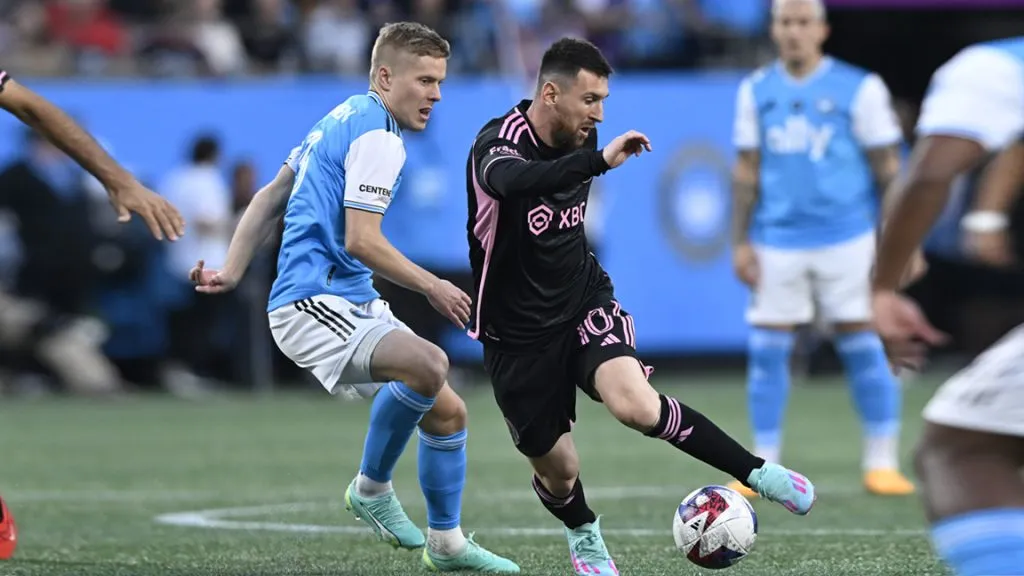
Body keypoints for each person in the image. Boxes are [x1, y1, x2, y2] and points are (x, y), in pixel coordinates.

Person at [465, 37, 816, 576]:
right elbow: (514, 181)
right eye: (590, 100)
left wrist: (593, 157)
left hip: (581, 301)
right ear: (551, 94)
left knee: (636, 405)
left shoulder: (584, 135)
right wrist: (597, 162)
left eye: (603, 100)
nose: (599, 115)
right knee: (559, 470)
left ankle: (759, 474)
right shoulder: (498, 143)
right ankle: (584, 533)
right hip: (515, 334)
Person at [190, 22, 519, 573]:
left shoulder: (343, 116)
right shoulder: (380, 138)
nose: (436, 95)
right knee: (429, 364)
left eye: (440, 82)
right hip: (311, 302)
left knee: (448, 412)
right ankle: (371, 489)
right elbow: (360, 240)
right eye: (425, 81)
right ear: (385, 77)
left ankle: (447, 544)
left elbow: (270, 196)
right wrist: (433, 285)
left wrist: (232, 268)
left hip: (347, 297)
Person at [0, 66, 188, 560]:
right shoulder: (18, 180)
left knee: (58, 335)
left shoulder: (54, 186)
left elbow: (29, 105)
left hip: (46, 294)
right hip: (27, 292)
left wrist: (119, 180)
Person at [728, 0, 914, 498]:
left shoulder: (860, 87)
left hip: (846, 237)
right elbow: (746, 171)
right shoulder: (755, 89)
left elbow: (889, 170)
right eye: (785, 22)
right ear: (773, 29)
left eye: (803, 22)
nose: (794, 32)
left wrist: (901, 240)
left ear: (823, 29)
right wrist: (740, 241)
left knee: (862, 343)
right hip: (777, 239)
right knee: (767, 350)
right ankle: (760, 464)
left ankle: (882, 462)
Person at [872, 36, 1024, 576]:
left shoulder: (993, 64)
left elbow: (932, 172)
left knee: (960, 445)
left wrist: (882, 287)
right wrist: (988, 215)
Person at [0, 69, 184, 242]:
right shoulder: (17, 174)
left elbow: (29, 107)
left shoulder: (70, 176)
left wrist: (122, 183)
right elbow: (30, 109)